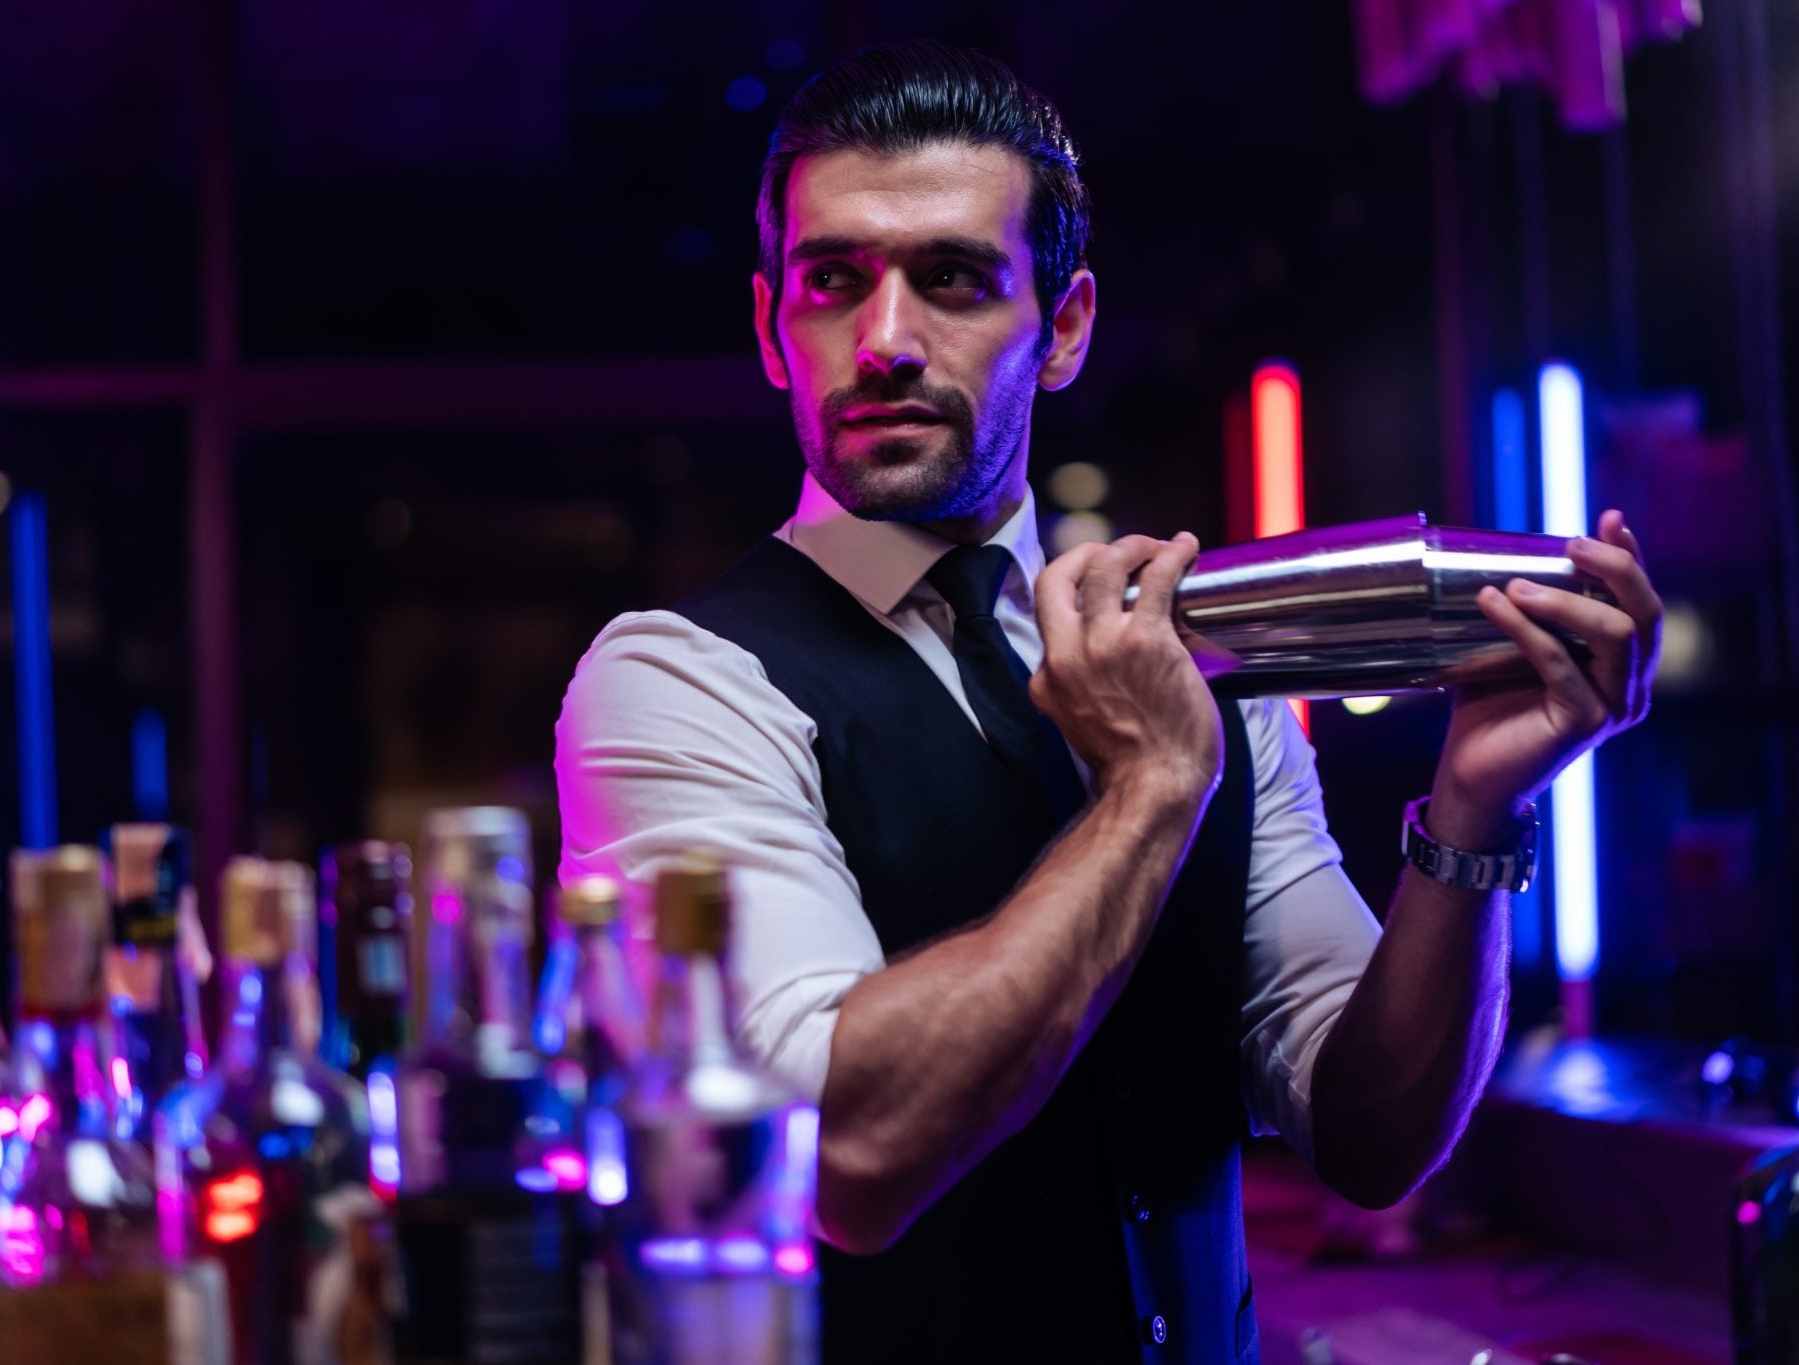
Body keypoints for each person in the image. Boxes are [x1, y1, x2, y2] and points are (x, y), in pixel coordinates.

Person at [556, 39, 1661, 1364]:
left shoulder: (1198, 659)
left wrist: (1477, 809)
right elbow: (845, 1156)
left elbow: (1369, 1132)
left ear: (1065, 326)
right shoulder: (677, 680)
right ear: (769, 329)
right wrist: (1148, 789)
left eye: (953, 279)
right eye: (833, 281)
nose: (885, 341)